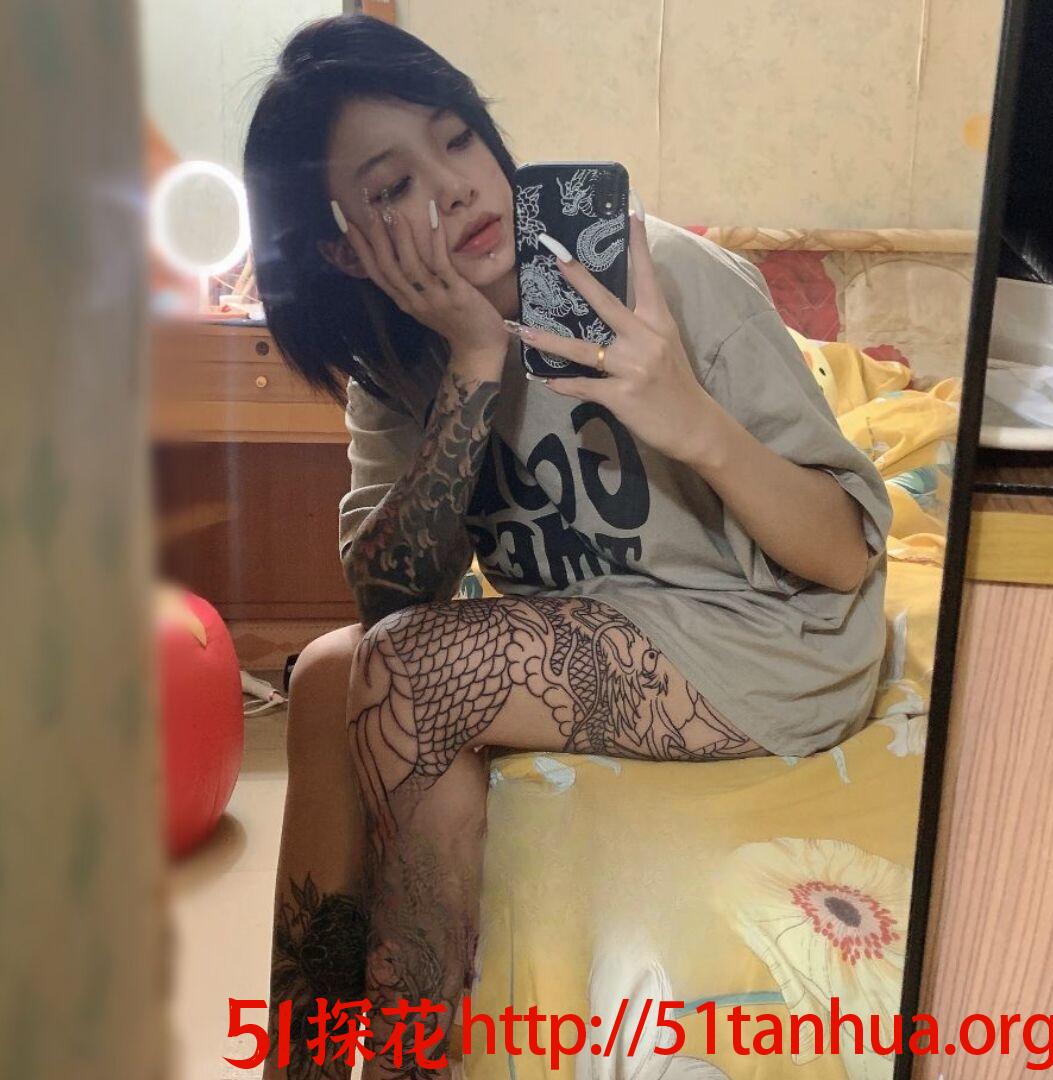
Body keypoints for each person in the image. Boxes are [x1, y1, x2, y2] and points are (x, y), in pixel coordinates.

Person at [243, 14, 893, 1078]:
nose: (456, 187)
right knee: (326, 675)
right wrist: (471, 363)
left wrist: (692, 421)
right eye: (393, 185)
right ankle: (300, 1063)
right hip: (605, 630)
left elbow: (844, 559)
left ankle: (413, 1065)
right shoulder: (400, 358)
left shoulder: (668, 279)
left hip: (770, 639)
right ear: (342, 248)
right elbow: (390, 598)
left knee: (417, 671)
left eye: (457, 138)